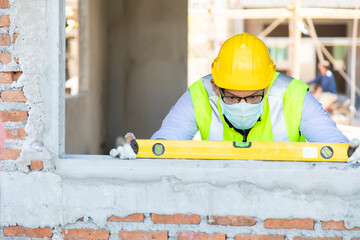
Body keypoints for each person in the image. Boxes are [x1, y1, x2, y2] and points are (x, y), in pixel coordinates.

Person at [151, 33, 359, 162]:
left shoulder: (294, 96)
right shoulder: (199, 95)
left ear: (267, 87)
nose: (243, 106)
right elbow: (164, 144)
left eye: (252, 97)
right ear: (215, 87)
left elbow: (337, 150)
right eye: (231, 97)